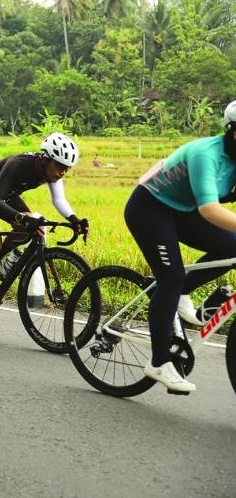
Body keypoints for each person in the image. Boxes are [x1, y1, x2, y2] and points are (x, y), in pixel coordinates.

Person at [123, 101, 236, 394]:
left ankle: (185, 291)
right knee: (169, 276)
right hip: (149, 208)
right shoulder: (206, 154)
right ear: (233, 133)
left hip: (184, 210)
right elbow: (210, 210)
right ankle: (159, 361)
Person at [0, 132, 88, 326]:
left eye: (67, 168)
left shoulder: (51, 172)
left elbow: (59, 199)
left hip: (5, 193)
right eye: (60, 167)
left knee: (33, 224)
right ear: (46, 159)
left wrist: (74, 219)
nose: (62, 172)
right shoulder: (19, 165)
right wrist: (21, 218)